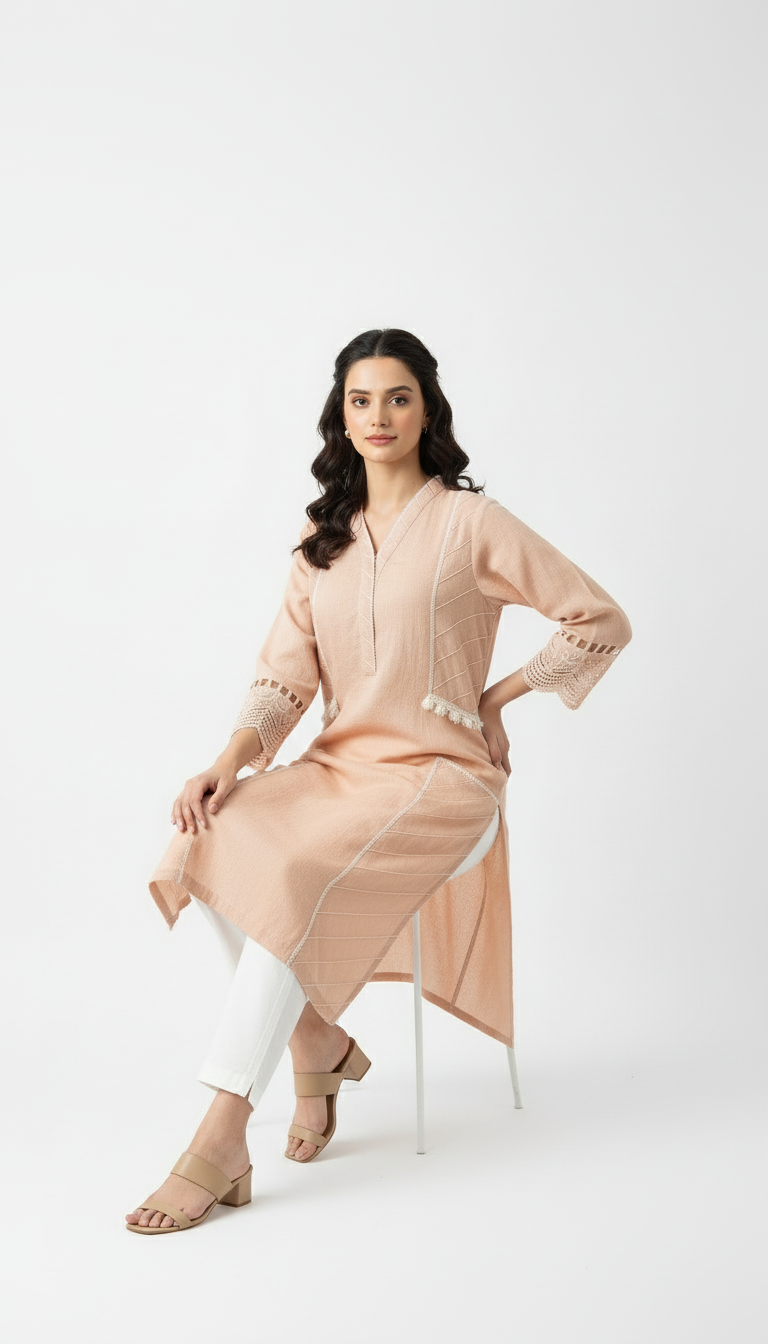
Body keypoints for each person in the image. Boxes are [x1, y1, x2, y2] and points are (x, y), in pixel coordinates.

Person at [126, 327, 632, 1233]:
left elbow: (598, 619)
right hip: (340, 770)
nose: (379, 416)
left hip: (442, 778)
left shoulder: (474, 523)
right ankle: (317, 1040)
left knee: (293, 876)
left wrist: (498, 697)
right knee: (210, 831)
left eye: (398, 397)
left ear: (427, 408)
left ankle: (222, 1134)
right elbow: (282, 682)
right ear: (342, 415)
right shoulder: (321, 542)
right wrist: (226, 761)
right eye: (361, 400)